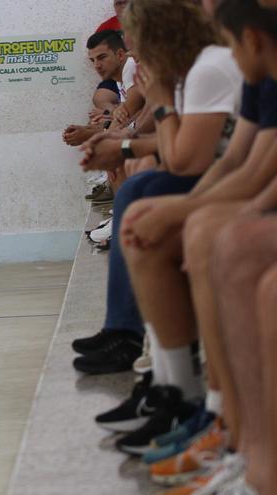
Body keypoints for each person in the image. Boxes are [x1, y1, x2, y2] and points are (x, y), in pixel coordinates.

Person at [83, 0, 244, 455]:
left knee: (156, 204)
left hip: (230, 191)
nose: (132, 54)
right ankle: (170, 386)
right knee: (144, 191)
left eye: (137, 43)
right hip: (222, 181)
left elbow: (186, 157)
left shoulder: (209, 69)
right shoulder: (197, 71)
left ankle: (195, 399)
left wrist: (161, 106)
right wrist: (125, 144)